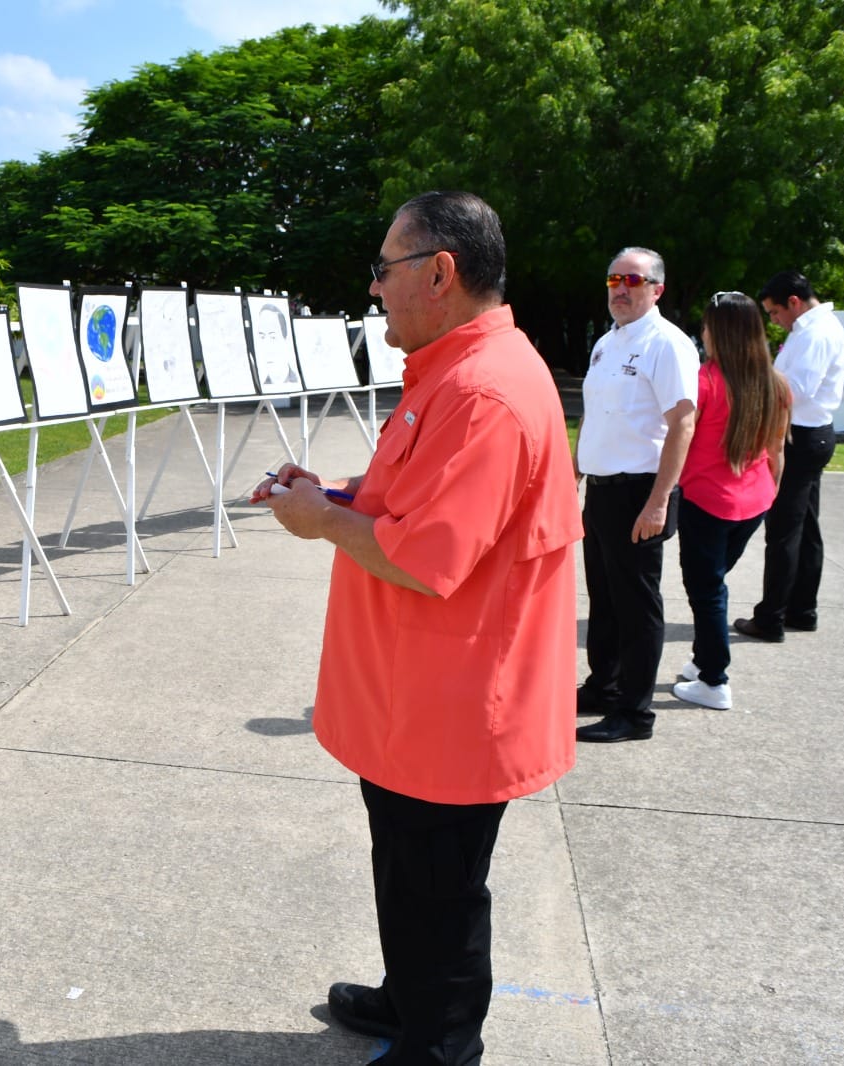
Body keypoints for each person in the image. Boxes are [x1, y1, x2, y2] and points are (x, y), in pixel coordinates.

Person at [253, 190, 582, 1066]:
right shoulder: (450, 374)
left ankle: (440, 1047)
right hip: (417, 704)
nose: (374, 290)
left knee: (439, 887)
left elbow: (427, 559)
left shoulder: (483, 393)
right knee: (409, 871)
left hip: (455, 711)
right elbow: (409, 505)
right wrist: (336, 498)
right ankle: (411, 998)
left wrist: (325, 522)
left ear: (440, 272)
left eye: (385, 270)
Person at [573, 248, 698, 743]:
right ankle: (604, 685)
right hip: (602, 491)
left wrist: (659, 501)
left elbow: (682, 424)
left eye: (632, 280)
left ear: (657, 289)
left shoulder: (667, 344)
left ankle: (635, 713)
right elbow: (595, 413)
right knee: (603, 599)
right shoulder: (606, 342)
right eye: (612, 281)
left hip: (640, 492)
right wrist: (574, 470)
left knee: (637, 606)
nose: (620, 289)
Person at [673, 292, 791, 709]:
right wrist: (768, 495)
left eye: (706, 325)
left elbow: (680, 439)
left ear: (718, 332)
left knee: (706, 590)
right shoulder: (775, 384)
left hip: (707, 502)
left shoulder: (704, 381)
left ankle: (714, 679)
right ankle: (703, 658)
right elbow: (777, 453)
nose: (703, 333)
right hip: (755, 502)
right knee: (713, 584)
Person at [734, 271, 844, 642]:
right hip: (812, 435)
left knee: (783, 531)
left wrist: (755, 379)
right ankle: (801, 609)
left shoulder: (815, 333)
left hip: (800, 439)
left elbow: (796, 388)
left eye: (774, 312)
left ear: (794, 303)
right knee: (805, 529)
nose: (774, 321)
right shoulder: (814, 329)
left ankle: (771, 618)